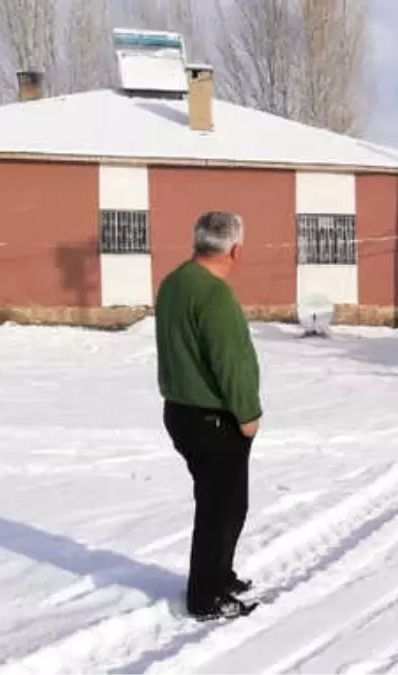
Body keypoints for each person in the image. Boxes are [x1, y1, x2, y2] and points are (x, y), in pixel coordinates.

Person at [154, 210, 262, 620]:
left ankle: (221, 573)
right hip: (213, 418)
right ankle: (205, 596)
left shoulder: (175, 282)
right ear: (235, 249)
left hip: (180, 412)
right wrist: (248, 414)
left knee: (227, 502)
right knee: (221, 507)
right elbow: (229, 362)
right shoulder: (214, 295)